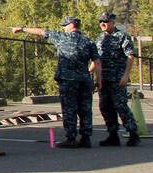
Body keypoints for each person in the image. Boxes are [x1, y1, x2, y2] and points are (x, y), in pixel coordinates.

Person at [13, 18, 100, 148]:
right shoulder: (88, 41)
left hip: (68, 80)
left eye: (65, 25)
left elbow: (41, 32)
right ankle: (86, 138)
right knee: (85, 109)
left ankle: (71, 138)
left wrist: (22, 29)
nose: (64, 28)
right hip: (84, 80)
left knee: (69, 109)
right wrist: (96, 78)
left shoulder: (62, 37)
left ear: (71, 26)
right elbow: (97, 63)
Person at [95, 12, 140, 147]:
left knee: (120, 106)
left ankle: (133, 133)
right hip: (104, 79)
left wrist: (126, 75)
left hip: (117, 78)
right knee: (105, 107)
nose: (103, 24)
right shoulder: (100, 38)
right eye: (101, 22)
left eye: (106, 21)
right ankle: (113, 135)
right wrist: (96, 77)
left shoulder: (122, 36)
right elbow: (97, 60)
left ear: (113, 22)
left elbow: (130, 56)